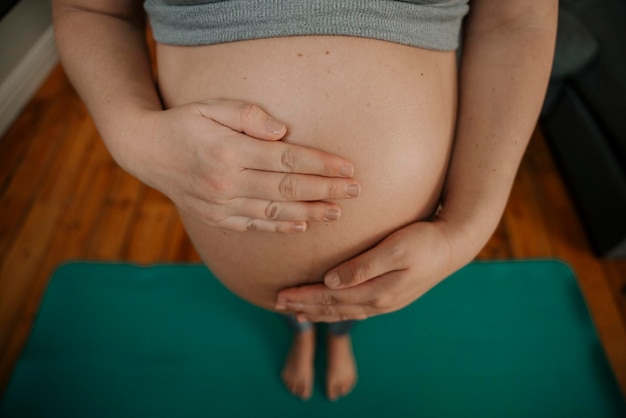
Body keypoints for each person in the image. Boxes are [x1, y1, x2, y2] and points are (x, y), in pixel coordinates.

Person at [51, 0, 557, 402]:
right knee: (299, 304)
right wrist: (131, 136)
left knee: (350, 300)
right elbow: (92, 9)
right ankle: (302, 331)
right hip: (246, 248)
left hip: (391, 256)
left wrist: (467, 229)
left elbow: (518, 18)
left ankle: (334, 338)